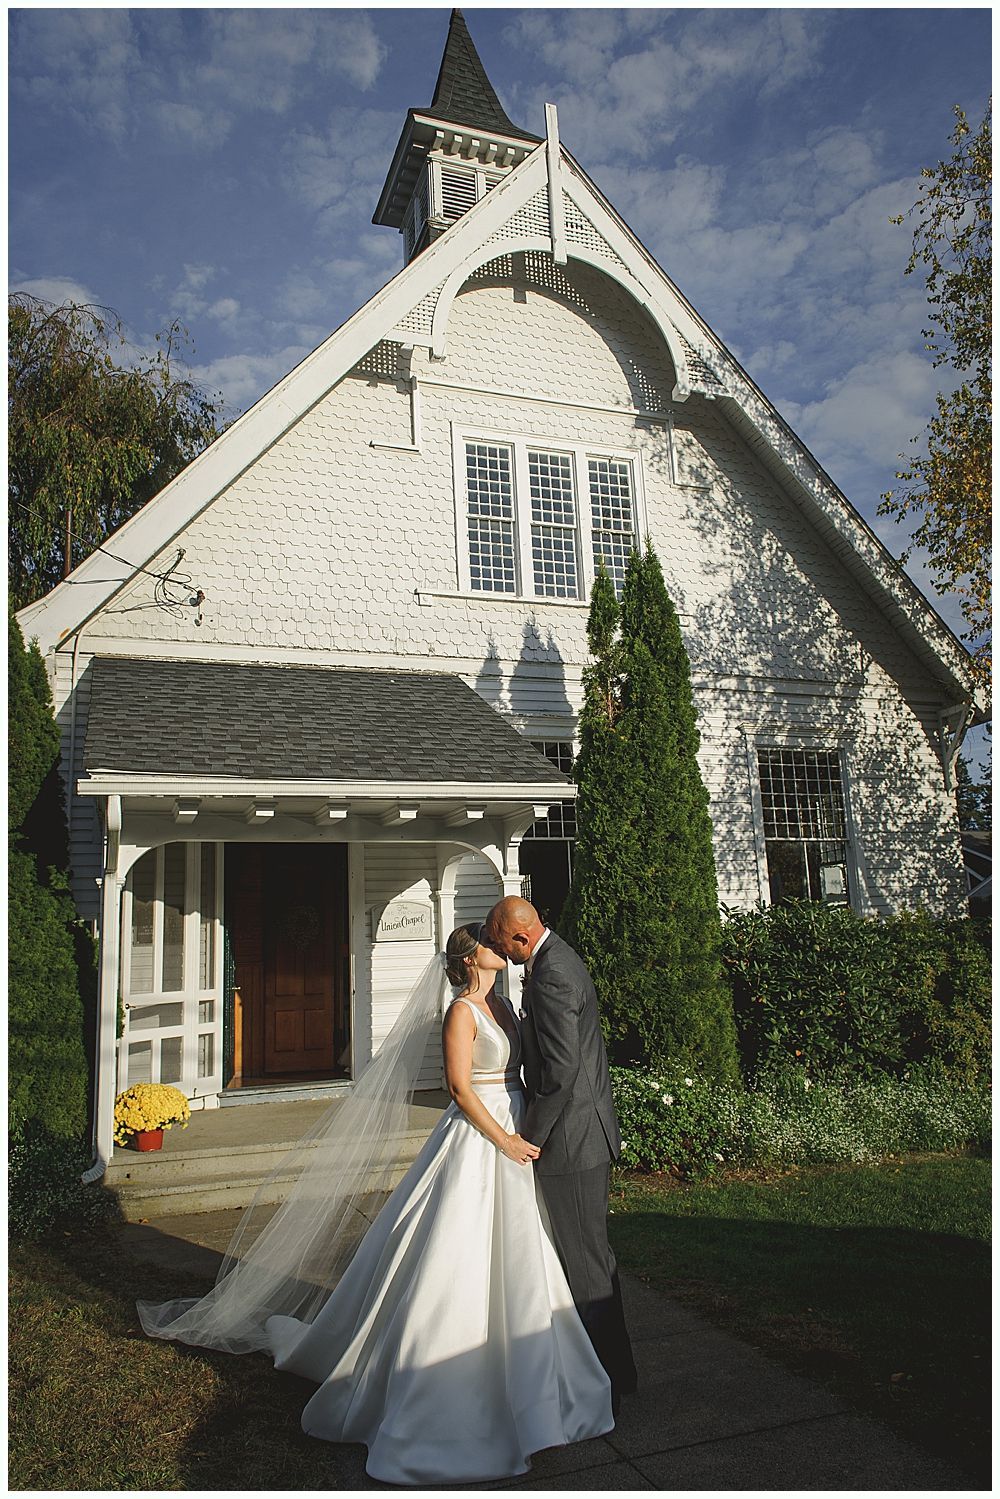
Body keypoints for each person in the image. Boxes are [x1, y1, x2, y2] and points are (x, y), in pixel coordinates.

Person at [139, 924, 613, 1487]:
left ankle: (537, 1378)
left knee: (522, 1252)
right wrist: (505, 1140)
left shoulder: (507, 1002)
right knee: (455, 1249)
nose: (500, 946)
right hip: (482, 1135)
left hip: (515, 1125)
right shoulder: (461, 1013)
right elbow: (461, 1090)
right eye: (489, 942)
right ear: (470, 959)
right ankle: (440, 1377)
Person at [483, 897, 638, 1414]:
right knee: (595, 1257)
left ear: (521, 938)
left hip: (571, 1140)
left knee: (586, 1266)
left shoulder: (551, 977)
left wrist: (530, 1135)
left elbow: (561, 1071)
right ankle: (617, 1373)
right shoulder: (558, 958)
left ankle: (603, 1386)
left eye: (500, 941)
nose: (499, 951)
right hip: (586, 1133)